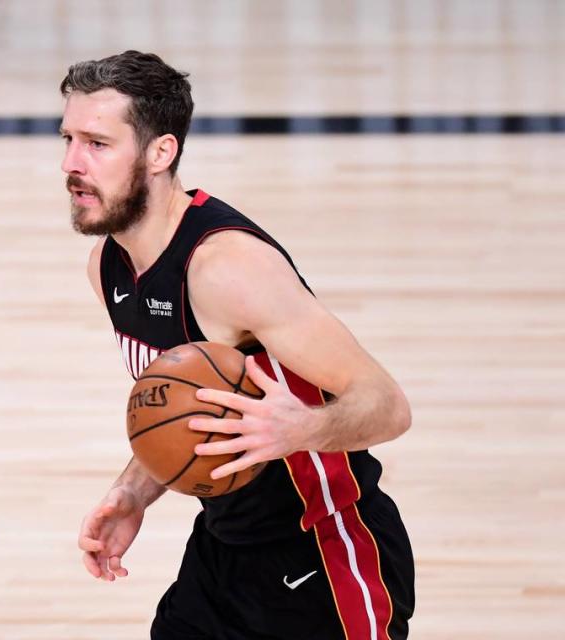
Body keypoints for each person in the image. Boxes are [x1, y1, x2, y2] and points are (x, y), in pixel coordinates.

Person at [60, 51, 415, 640]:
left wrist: (299, 429)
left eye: (97, 144)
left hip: (323, 557)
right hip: (223, 552)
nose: (72, 163)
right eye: (68, 138)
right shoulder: (108, 268)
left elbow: (387, 403)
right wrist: (134, 489)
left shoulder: (228, 268)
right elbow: (183, 411)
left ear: (160, 152)